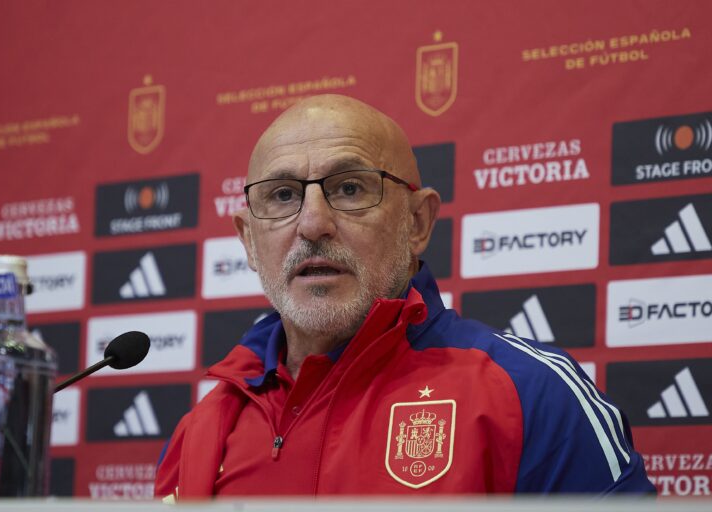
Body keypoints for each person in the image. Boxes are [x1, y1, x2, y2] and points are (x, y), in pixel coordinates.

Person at [155, 94, 654, 499]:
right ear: (248, 239)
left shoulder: (530, 394)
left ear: (417, 223)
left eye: (349, 188)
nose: (312, 223)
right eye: (283, 196)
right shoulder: (202, 428)